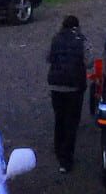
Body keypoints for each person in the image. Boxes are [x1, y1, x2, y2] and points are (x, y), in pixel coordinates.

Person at [46, 15, 88, 174]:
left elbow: (48, 57)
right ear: (77, 27)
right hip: (74, 87)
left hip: (56, 85)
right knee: (71, 123)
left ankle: (57, 148)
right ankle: (66, 159)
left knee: (60, 118)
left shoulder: (56, 39)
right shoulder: (81, 40)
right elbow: (89, 60)